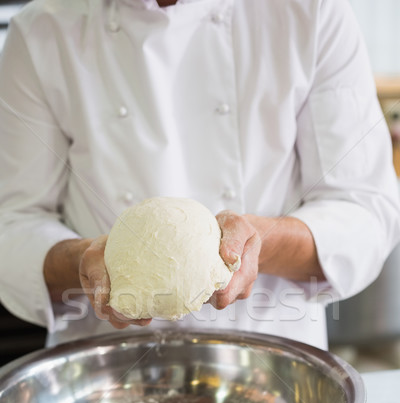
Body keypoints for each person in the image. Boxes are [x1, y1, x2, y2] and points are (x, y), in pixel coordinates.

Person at [0, 0, 399, 351]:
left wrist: (260, 242)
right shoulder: (42, 30)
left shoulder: (311, 11)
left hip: (271, 359)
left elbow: (364, 208)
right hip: (100, 368)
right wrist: (79, 262)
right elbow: (12, 223)